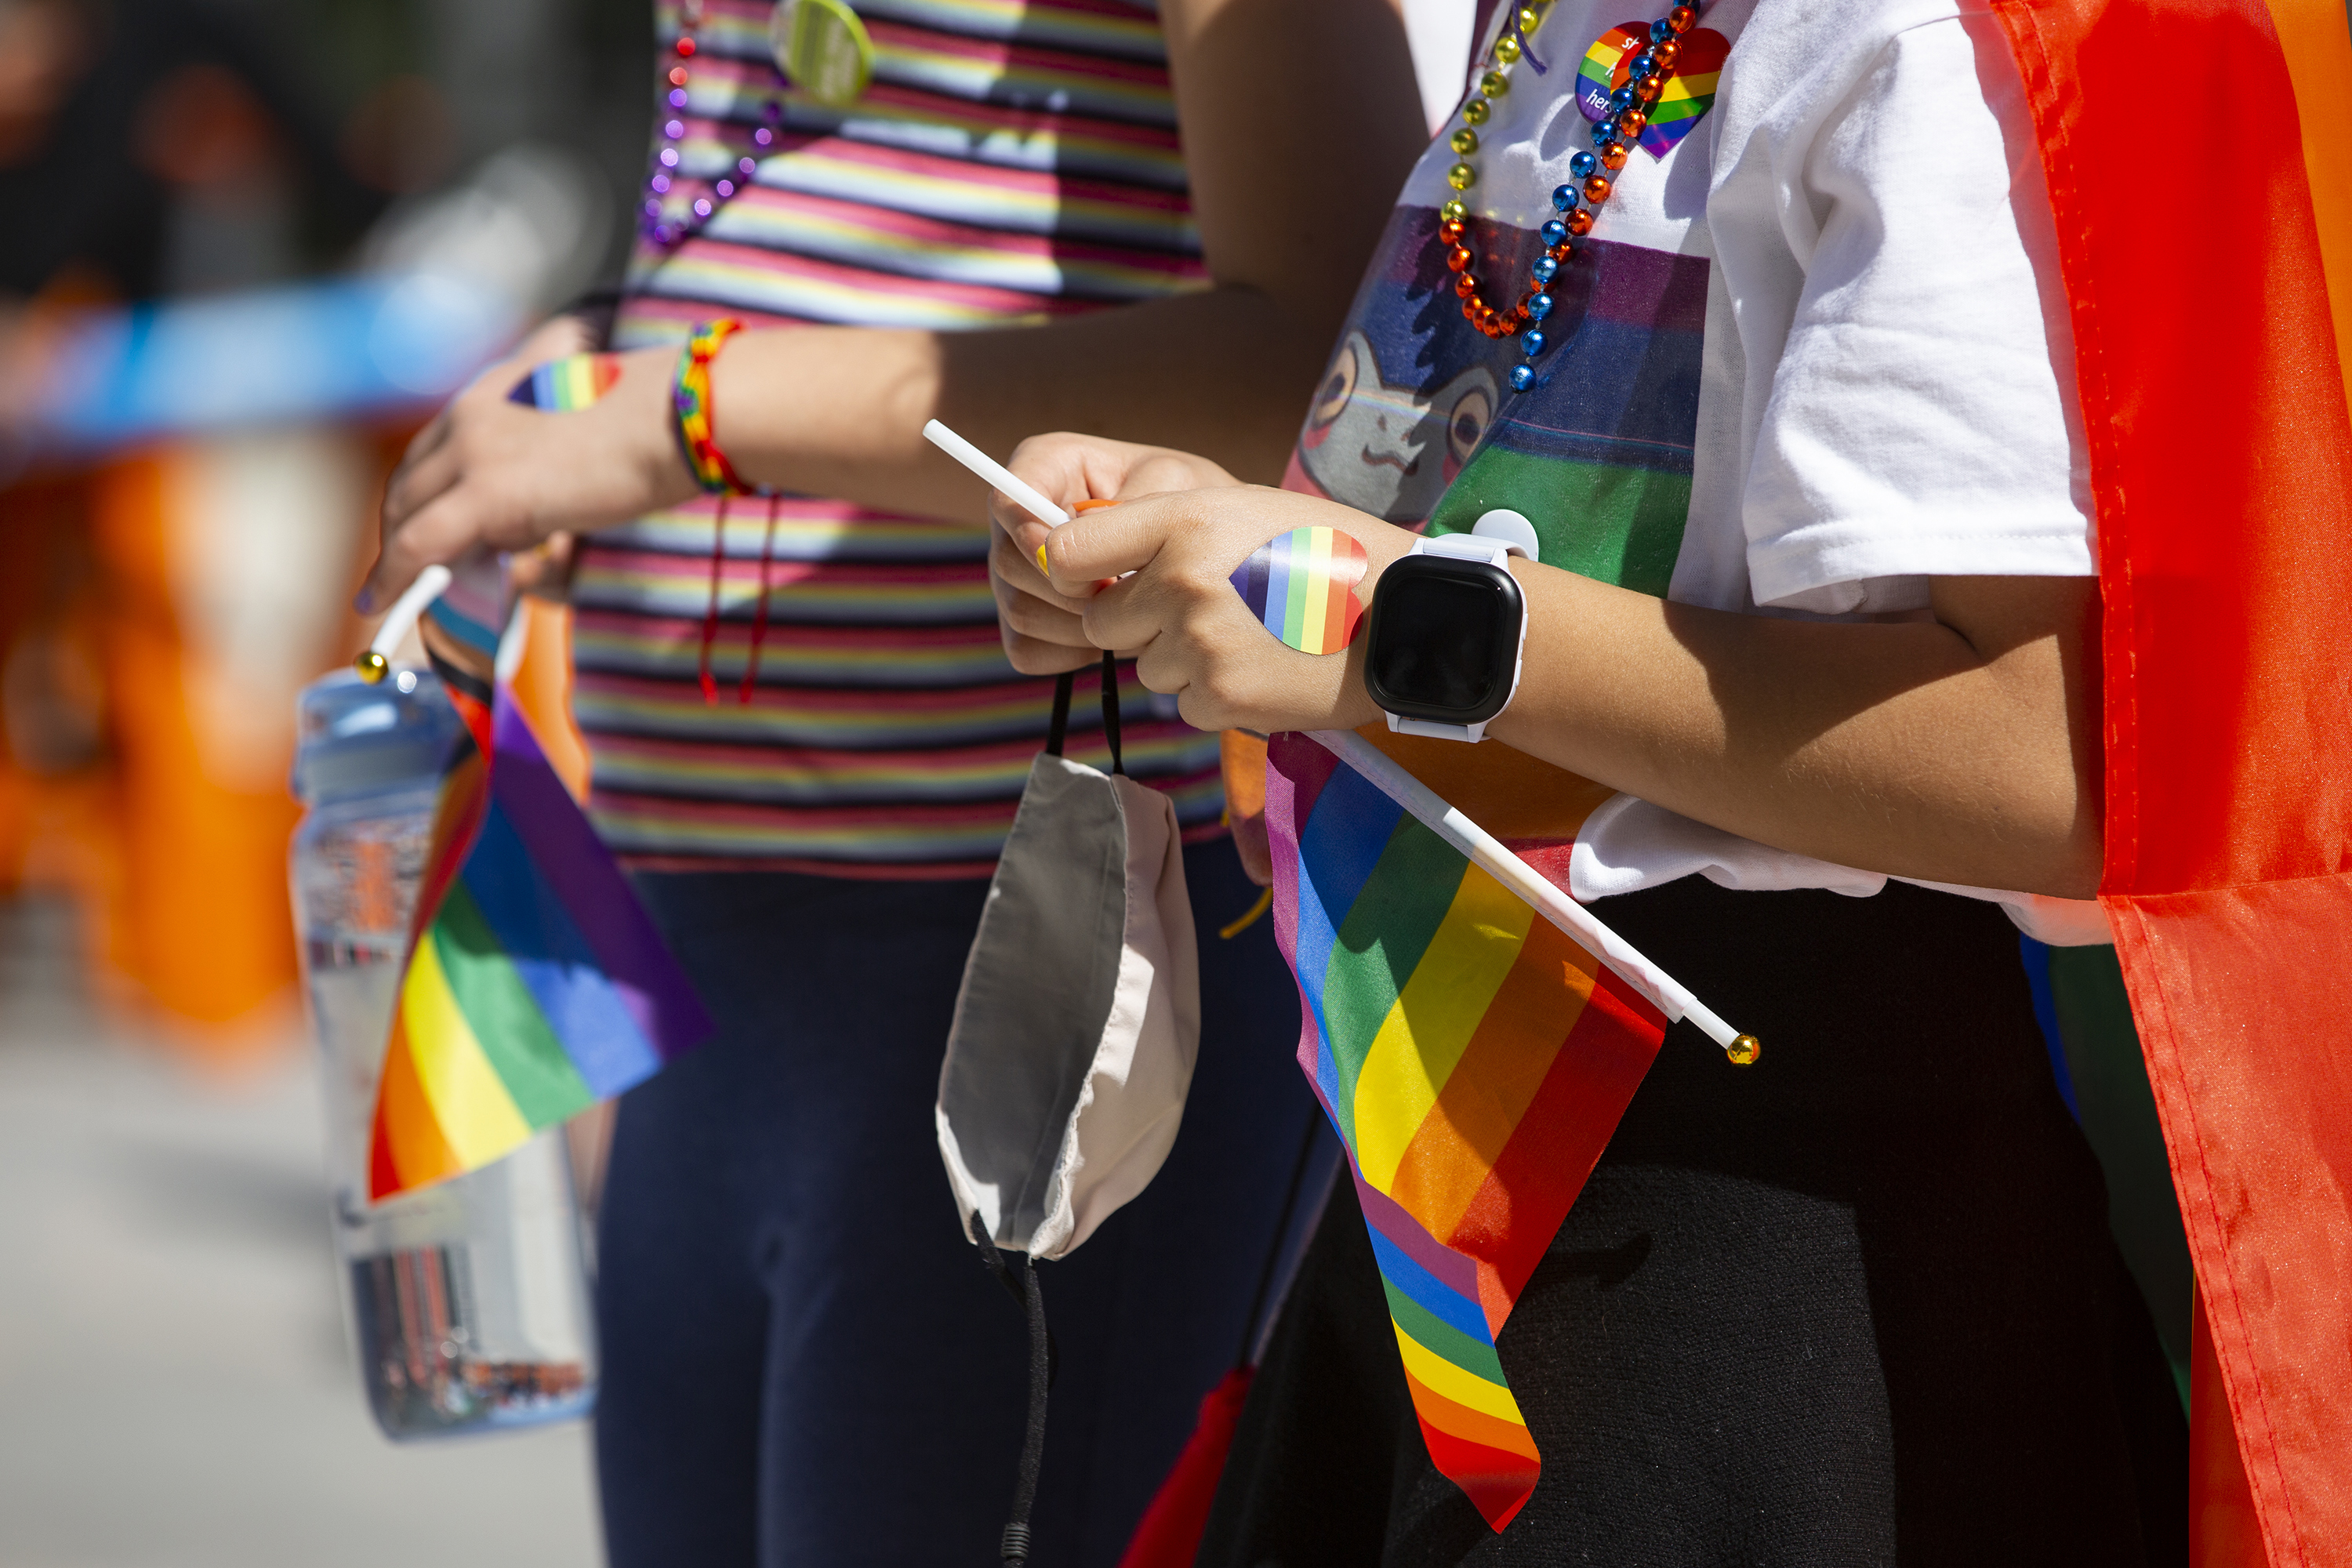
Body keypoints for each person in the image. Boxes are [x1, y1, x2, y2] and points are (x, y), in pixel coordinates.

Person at [984, 0, 2198, 1559]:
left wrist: (1395, 623)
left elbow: (2054, 762)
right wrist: (1222, 532)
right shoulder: (1549, 28)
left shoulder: (1900, 43)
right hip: (1434, 1187)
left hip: (1751, 1231)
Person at [361, 2, 1430, 1563]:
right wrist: (613, 362)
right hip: (703, 965)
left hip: (1039, 968)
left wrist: (692, 411)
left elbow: (1335, 358)